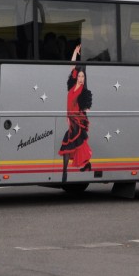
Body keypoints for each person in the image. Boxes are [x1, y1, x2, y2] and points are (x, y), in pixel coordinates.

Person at [59, 44, 93, 179]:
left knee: (69, 144)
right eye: (79, 76)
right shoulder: (72, 86)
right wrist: (75, 51)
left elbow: (86, 107)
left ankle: (65, 172)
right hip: (71, 120)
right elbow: (72, 66)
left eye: (83, 77)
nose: (81, 78)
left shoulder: (83, 91)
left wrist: (84, 109)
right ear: (76, 77)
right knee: (73, 145)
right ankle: (76, 167)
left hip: (77, 121)